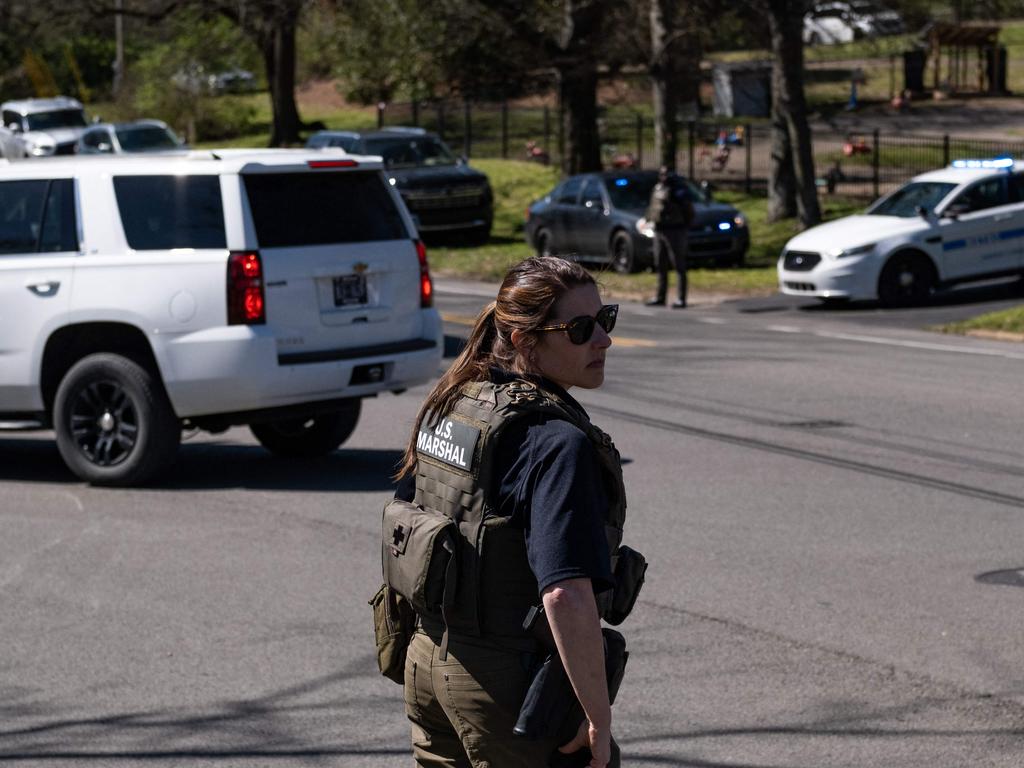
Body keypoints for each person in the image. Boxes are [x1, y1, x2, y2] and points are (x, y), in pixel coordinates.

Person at [391, 256, 634, 768]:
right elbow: (565, 592)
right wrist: (597, 719)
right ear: (525, 340)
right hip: (505, 686)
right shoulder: (556, 443)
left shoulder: (453, 402)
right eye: (581, 328)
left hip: (428, 664)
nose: (603, 341)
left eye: (604, 320)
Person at [644, 166, 694, 309]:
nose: (663, 177)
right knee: (660, 264)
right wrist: (647, 219)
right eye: (661, 174)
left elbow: (689, 210)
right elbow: (652, 207)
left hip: (675, 230)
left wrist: (684, 226)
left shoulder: (679, 190)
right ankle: (660, 296)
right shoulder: (657, 188)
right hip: (659, 230)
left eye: (666, 174)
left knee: (678, 265)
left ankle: (681, 298)